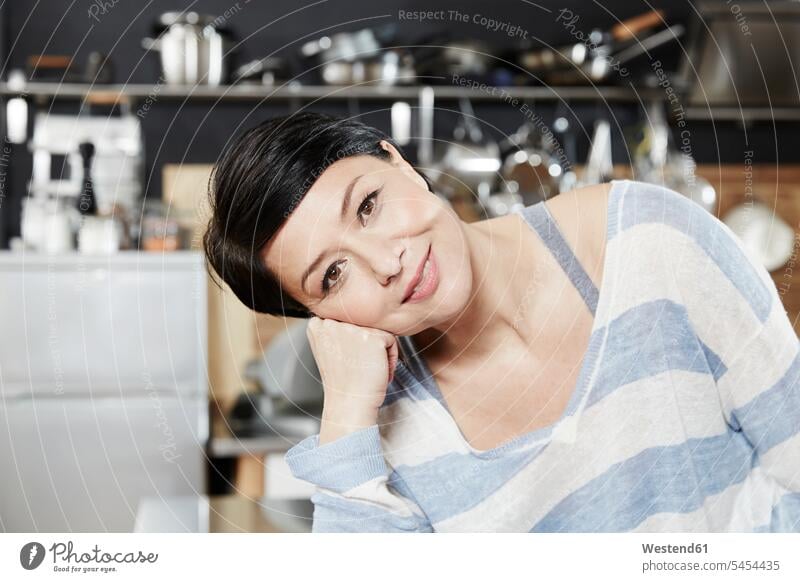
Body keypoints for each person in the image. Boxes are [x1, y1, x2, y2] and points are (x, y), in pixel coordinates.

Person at [204, 112, 800, 532]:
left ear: (401, 165)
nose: (387, 262)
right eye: (332, 275)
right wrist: (345, 423)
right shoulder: (379, 434)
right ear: (323, 320)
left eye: (368, 205)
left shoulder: (650, 239)